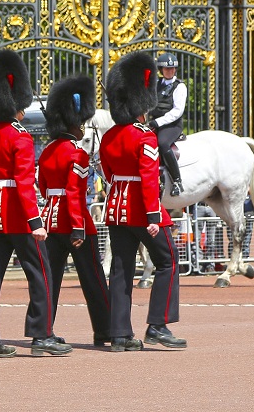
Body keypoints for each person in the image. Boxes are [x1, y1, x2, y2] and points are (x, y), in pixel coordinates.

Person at [0, 49, 70, 358]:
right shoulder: (21, 137)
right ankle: (41, 334)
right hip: (18, 214)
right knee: (40, 272)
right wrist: (36, 221)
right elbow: (24, 183)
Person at [100, 51, 185, 352]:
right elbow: (148, 179)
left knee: (121, 269)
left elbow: (108, 174)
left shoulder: (109, 137)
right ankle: (158, 325)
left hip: (115, 209)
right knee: (169, 260)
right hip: (141, 209)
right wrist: (152, 216)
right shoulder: (145, 138)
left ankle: (120, 333)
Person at [38, 75, 111, 347]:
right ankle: (105, 329)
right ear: (75, 124)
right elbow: (74, 193)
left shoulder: (47, 151)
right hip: (75, 222)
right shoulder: (77, 153)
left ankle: (43, 331)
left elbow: (44, 188)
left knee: (50, 281)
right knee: (93, 279)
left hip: (51, 221)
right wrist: (78, 226)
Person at [147, 52, 187, 196]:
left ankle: (177, 180)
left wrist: (157, 122)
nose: (170, 71)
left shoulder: (180, 87)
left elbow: (177, 111)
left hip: (171, 125)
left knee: (162, 143)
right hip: (154, 122)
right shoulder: (156, 85)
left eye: (172, 69)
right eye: (166, 69)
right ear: (161, 70)